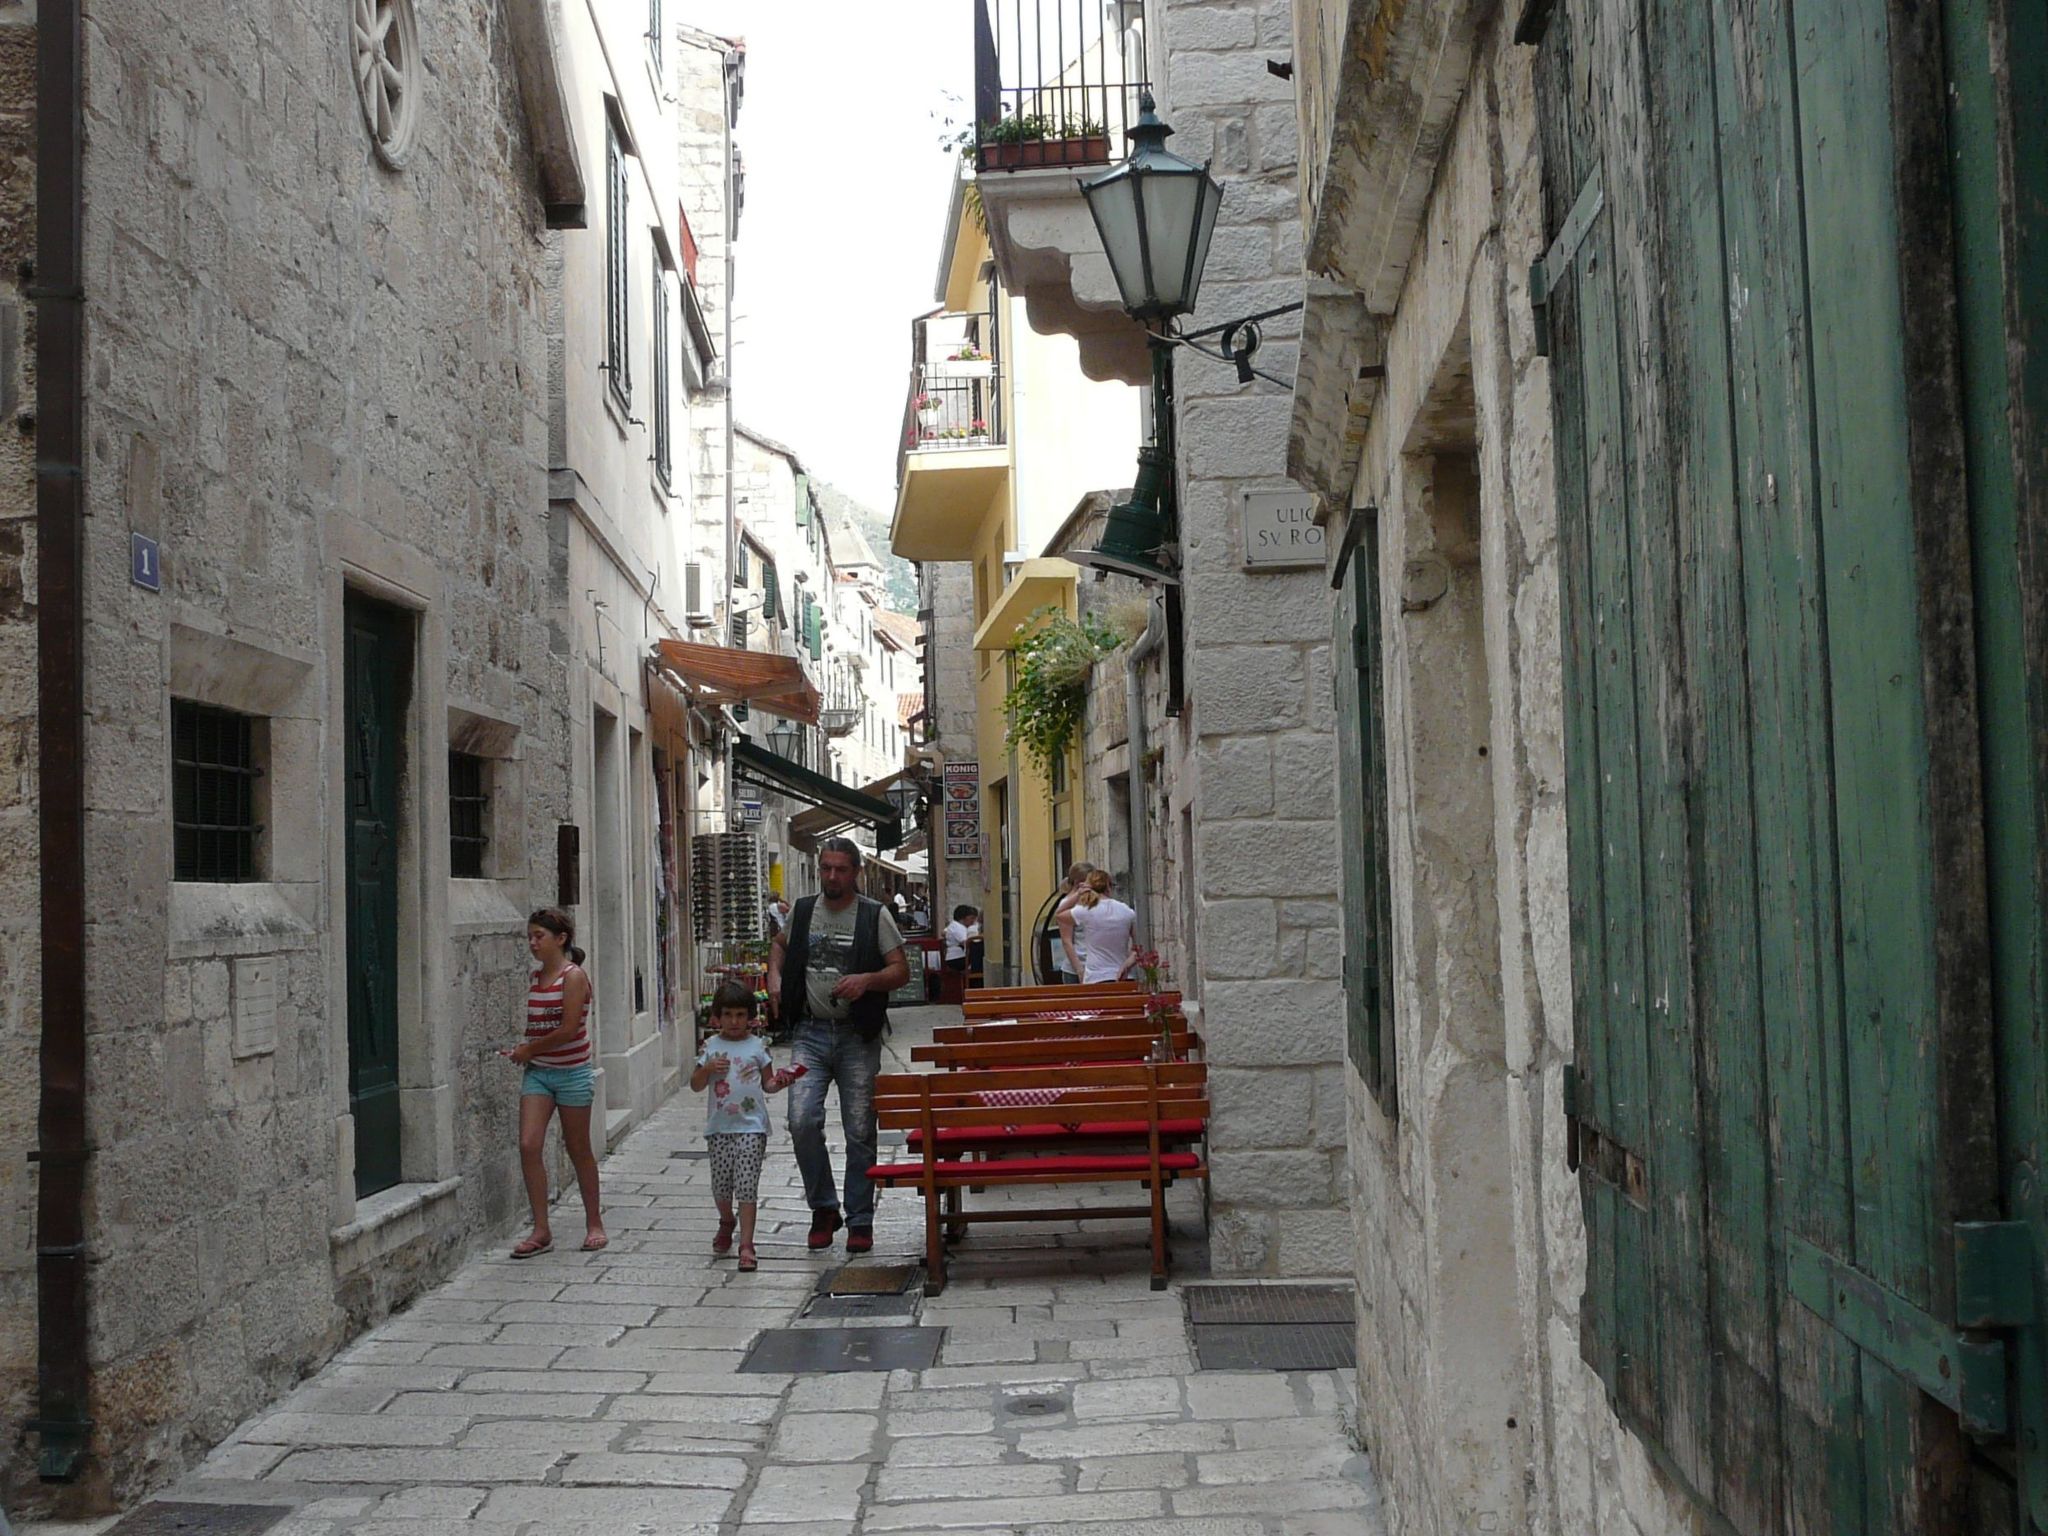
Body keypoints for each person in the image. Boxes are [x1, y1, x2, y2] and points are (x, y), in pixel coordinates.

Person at [767, 836, 910, 1253]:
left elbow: (900, 970)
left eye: (840, 869)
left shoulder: (873, 914)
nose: (832, 876)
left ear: (855, 872)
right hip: (809, 1033)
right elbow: (779, 945)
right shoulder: (803, 910)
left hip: (857, 1035)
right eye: (826, 868)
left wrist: (868, 980)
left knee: (860, 1129)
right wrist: (774, 976)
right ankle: (824, 1208)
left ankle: (860, 1219)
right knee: (801, 1120)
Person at [503, 908, 606, 1257]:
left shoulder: (573, 977)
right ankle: (541, 1229)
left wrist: (528, 1049)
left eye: (539, 936)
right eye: (530, 937)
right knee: (528, 1144)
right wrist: (525, 1051)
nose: (533, 943)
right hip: (539, 1073)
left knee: (578, 1149)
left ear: (560, 939)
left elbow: (568, 1029)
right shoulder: (535, 978)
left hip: (572, 1073)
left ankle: (594, 1223)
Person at [691, 980, 803, 1273]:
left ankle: (746, 1245)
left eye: (740, 1015)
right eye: (728, 1015)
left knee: (747, 1185)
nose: (734, 1021)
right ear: (717, 1017)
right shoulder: (711, 1047)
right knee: (721, 1187)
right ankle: (727, 1220)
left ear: (750, 1017)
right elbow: (695, 1084)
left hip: (752, 1127)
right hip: (719, 1128)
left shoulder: (758, 1046)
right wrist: (707, 1069)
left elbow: (768, 1084)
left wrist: (781, 1081)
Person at [1059, 870, 1139, 984]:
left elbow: (1060, 914)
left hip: (1096, 977)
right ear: (1109, 888)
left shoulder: (1087, 910)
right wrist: (1127, 965)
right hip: (1123, 976)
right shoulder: (1127, 911)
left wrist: (1078, 894)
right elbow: (1139, 948)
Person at [1049, 862, 1096, 983]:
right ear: (1079, 882)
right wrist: (1079, 970)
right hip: (1076, 968)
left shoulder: (1090, 900)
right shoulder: (1067, 904)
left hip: (1093, 965)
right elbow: (1067, 941)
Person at [942, 905, 976, 975]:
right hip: (957, 958)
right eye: (971, 918)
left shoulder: (955, 926)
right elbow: (965, 942)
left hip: (956, 957)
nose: (973, 921)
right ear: (963, 918)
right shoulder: (958, 927)